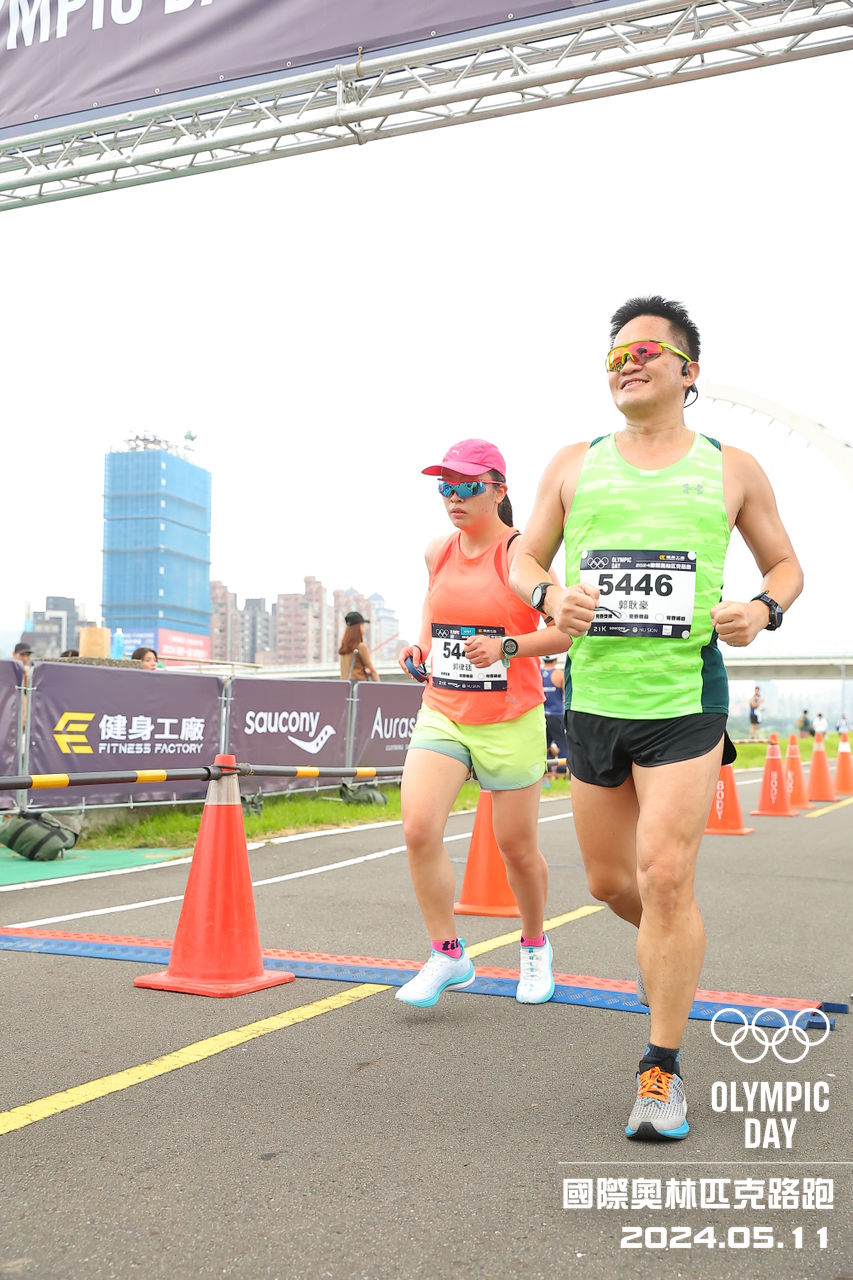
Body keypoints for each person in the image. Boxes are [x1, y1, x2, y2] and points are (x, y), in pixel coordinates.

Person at [511, 296, 803, 1141]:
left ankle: (659, 1070)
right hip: (594, 701)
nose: (626, 364)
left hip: (683, 702)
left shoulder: (731, 467)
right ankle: (670, 951)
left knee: (666, 876)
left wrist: (760, 610)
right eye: (614, 356)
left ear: (687, 370)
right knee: (612, 884)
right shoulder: (573, 464)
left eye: (643, 351)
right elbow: (524, 555)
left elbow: (785, 566)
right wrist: (547, 594)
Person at [396, 438, 570, 1009]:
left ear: (498, 491)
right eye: (445, 487)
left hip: (510, 718)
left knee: (516, 848)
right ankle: (448, 953)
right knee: (419, 828)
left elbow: (566, 632)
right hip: (444, 711)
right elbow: (434, 610)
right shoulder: (437, 552)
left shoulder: (522, 557)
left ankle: (535, 944)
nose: (455, 498)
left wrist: (507, 646)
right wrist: (419, 648)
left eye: (468, 486)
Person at [542, 656, 568, 774]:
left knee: (544, 746)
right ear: (556, 660)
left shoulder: (538, 673)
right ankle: (561, 771)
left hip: (542, 715)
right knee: (563, 745)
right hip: (556, 715)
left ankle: (542, 771)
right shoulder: (559, 674)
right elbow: (567, 695)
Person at [339, 611, 380, 682]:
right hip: (359, 686)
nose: (364, 629)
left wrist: (363, 670)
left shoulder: (343, 648)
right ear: (359, 627)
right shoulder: (361, 647)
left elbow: (353, 668)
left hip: (345, 686)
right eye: (363, 625)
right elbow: (372, 671)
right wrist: (379, 686)